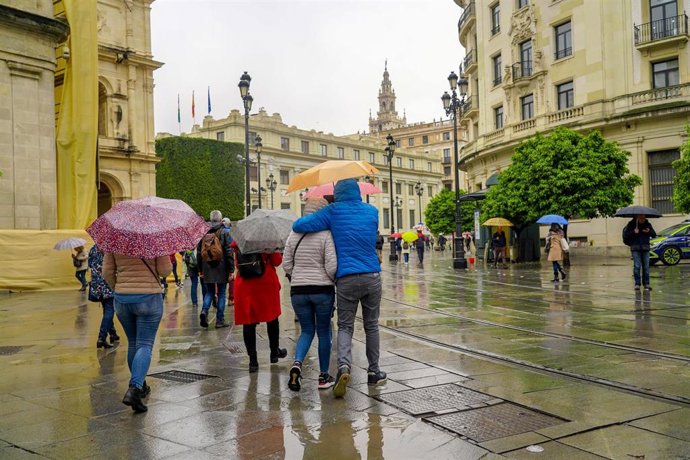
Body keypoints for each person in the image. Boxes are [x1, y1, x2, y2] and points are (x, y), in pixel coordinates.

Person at [292, 178, 386, 398]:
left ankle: (344, 367)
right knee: (371, 325)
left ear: (338, 193)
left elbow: (300, 225)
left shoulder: (332, 211)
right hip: (372, 274)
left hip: (346, 278)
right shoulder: (372, 211)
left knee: (345, 326)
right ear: (358, 192)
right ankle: (374, 371)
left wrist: (328, 220)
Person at [102, 251, 171, 413]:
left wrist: (118, 288)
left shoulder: (114, 240)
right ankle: (135, 388)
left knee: (133, 343)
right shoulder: (155, 238)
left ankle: (140, 382)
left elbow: (107, 272)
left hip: (122, 299)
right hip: (149, 298)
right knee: (145, 344)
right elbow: (165, 270)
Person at [283, 198, 337, 391]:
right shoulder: (326, 234)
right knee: (323, 332)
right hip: (322, 290)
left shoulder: (293, 234)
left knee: (306, 331)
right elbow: (332, 267)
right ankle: (323, 376)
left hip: (298, 290)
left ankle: (297, 363)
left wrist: (297, 275)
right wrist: (328, 278)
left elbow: (286, 265)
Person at [232, 242, 287, 372]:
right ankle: (274, 353)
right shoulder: (266, 239)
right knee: (272, 318)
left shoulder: (241, 242)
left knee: (249, 323)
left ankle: (253, 361)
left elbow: (237, 263)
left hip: (245, 285)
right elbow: (277, 261)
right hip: (265, 282)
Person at [197, 210, 234, 329]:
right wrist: (231, 269)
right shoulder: (224, 232)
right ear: (220, 219)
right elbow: (229, 252)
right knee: (222, 293)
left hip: (207, 267)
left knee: (209, 292)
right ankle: (219, 320)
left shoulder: (203, 232)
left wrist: (200, 269)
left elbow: (199, 252)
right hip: (221, 267)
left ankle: (204, 311)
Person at [88, 245, 119, 349]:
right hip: (108, 283)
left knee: (107, 309)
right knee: (110, 310)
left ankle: (113, 333)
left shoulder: (93, 249)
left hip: (97, 285)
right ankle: (101, 337)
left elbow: (90, 264)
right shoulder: (110, 249)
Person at [623, 215, 656, 291]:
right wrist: (634, 232)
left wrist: (649, 231)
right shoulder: (631, 224)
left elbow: (654, 234)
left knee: (646, 267)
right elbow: (626, 235)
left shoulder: (648, 224)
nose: (642, 219)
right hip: (635, 248)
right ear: (636, 217)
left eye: (643, 218)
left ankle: (646, 283)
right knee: (637, 266)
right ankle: (637, 284)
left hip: (645, 248)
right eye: (640, 218)